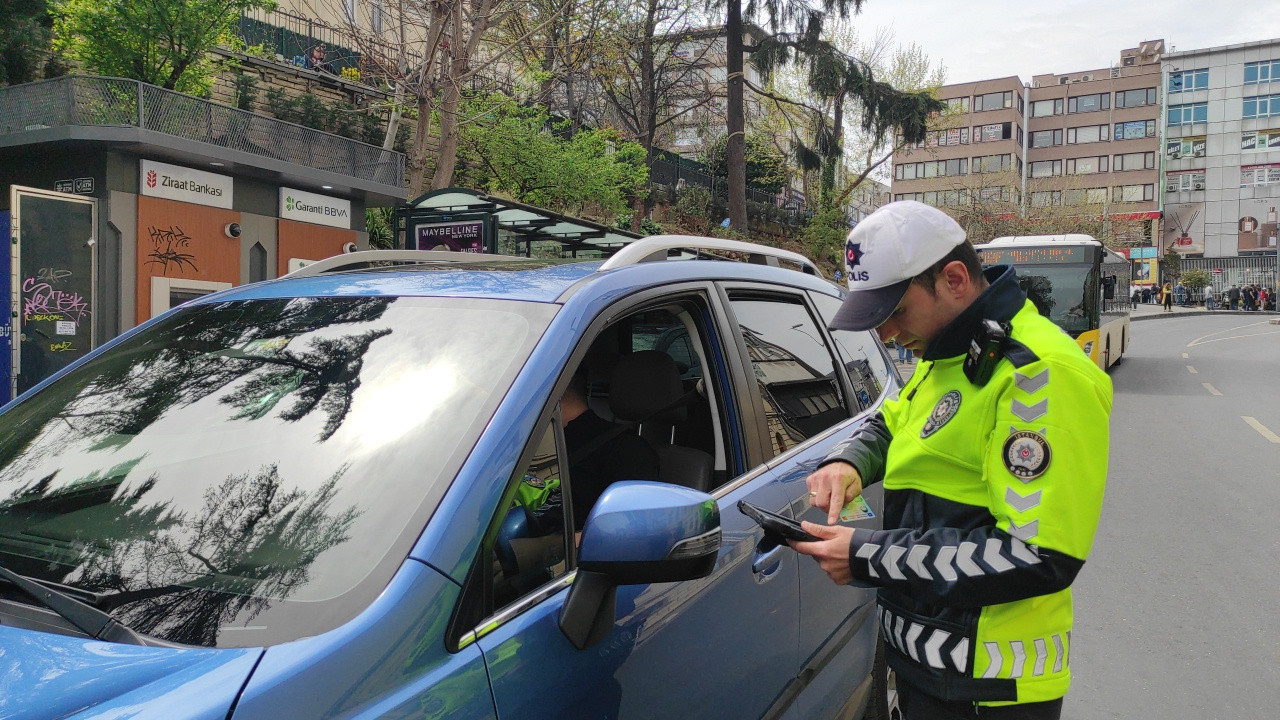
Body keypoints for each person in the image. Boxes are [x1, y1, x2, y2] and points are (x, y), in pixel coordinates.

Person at [790, 201, 1112, 720]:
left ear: (955, 279)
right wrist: (850, 462)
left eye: (896, 312)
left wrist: (868, 555)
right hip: (924, 668)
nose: (887, 335)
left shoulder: (1039, 374)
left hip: (986, 687)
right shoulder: (950, 349)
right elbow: (896, 419)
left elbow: (1037, 555)